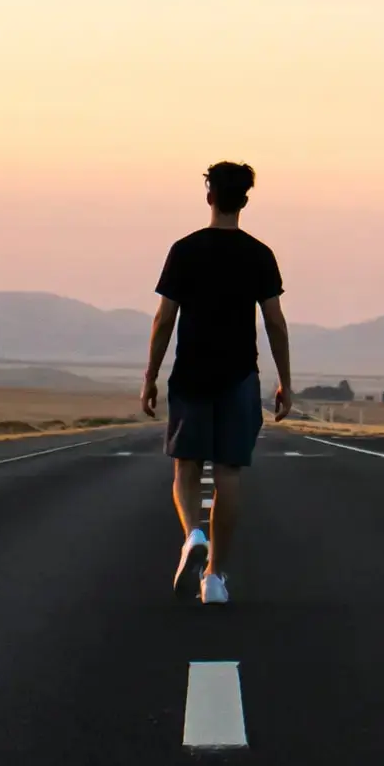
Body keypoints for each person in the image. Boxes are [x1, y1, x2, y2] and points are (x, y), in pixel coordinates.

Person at [140, 161, 293, 604]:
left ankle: (193, 533)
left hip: (191, 374)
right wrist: (285, 382)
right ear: (244, 201)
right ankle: (215, 578)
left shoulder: (184, 250)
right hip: (239, 376)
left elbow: (164, 319)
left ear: (210, 197)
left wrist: (150, 377)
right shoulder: (259, 255)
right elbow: (275, 322)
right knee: (228, 473)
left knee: (186, 466)